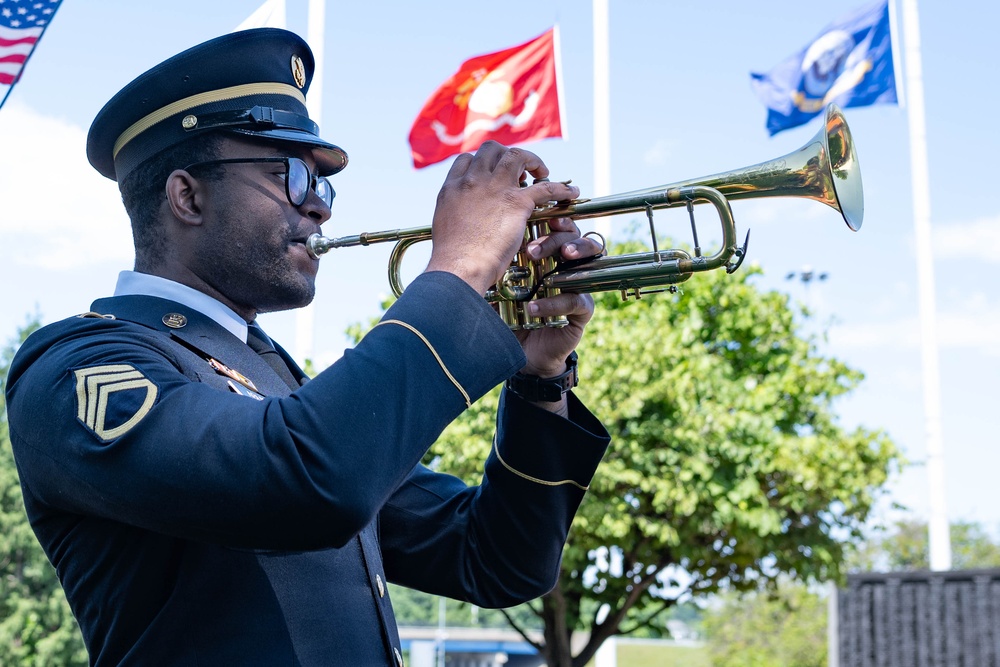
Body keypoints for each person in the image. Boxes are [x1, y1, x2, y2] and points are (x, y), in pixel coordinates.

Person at [5, 27, 610, 667]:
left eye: (323, 184)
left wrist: (539, 377)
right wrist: (459, 274)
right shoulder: (78, 366)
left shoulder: (274, 381)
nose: (319, 209)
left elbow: (496, 562)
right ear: (187, 196)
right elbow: (306, 478)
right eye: (293, 175)